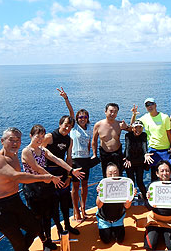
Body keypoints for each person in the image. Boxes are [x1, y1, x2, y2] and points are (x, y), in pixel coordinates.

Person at [0, 127, 55, 251]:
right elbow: (15, 176)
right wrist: (44, 177)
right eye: (11, 140)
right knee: (17, 241)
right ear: (2, 141)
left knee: (35, 227)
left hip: (14, 200)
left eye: (18, 140)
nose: (15, 143)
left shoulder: (14, 156)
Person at [22, 124, 83, 250]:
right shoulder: (26, 151)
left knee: (48, 215)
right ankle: (33, 243)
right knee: (37, 218)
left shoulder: (42, 150)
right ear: (31, 136)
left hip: (45, 185)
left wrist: (71, 170)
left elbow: (56, 159)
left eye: (42, 136)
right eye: (37, 136)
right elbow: (36, 168)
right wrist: (52, 177)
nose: (40, 139)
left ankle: (48, 240)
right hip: (33, 188)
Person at [57, 87, 94, 222]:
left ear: (87, 118)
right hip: (74, 160)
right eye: (80, 117)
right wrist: (66, 98)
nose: (82, 119)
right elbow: (71, 111)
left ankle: (83, 208)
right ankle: (76, 211)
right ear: (77, 119)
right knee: (75, 186)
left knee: (84, 185)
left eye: (85, 117)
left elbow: (91, 142)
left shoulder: (90, 128)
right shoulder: (74, 127)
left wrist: (93, 155)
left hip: (86, 159)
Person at [41, 115, 82, 236]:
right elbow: (38, 155)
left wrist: (69, 177)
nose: (68, 128)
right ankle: (59, 227)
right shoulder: (49, 137)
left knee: (64, 202)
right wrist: (47, 177)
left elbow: (69, 159)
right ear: (60, 124)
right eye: (66, 125)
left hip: (63, 172)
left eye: (70, 127)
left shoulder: (69, 140)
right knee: (53, 204)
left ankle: (67, 225)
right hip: (49, 174)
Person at [131, 98, 171, 181]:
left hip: (165, 150)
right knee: (154, 176)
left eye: (151, 104)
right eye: (147, 105)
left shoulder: (164, 117)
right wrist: (134, 114)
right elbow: (133, 125)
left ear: (155, 105)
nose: (149, 106)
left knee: (166, 174)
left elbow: (169, 134)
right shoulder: (145, 118)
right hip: (153, 150)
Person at [95, 163, 134, 244]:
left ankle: (115, 228)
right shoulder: (102, 185)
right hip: (104, 219)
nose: (113, 175)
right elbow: (99, 205)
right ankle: (106, 228)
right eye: (110, 174)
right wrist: (100, 194)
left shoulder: (124, 185)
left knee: (120, 240)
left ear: (119, 173)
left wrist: (130, 197)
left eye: (115, 173)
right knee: (106, 241)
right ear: (106, 175)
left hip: (118, 218)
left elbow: (127, 206)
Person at [92, 103, 128, 177]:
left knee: (118, 174)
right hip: (104, 154)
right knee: (106, 175)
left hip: (117, 153)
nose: (113, 113)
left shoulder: (120, 124)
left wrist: (126, 127)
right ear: (105, 112)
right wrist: (94, 154)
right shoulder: (98, 125)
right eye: (111, 111)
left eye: (115, 112)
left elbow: (134, 130)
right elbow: (94, 140)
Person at [124, 119, 148, 199]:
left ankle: (146, 198)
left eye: (140, 128)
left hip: (139, 161)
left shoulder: (144, 135)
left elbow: (144, 145)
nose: (138, 130)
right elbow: (127, 146)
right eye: (136, 128)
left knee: (140, 181)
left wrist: (146, 154)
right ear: (133, 128)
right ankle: (129, 199)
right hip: (129, 161)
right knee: (131, 181)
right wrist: (127, 158)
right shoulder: (128, 135)